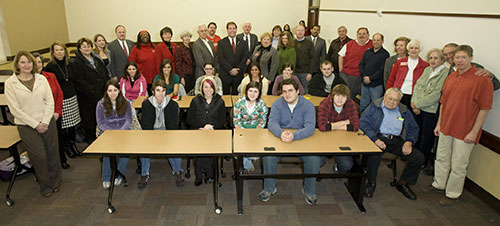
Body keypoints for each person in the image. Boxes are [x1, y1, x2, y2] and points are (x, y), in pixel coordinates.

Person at [424, 45, 493, 207]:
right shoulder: (451, 77)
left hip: (466, 130)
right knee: (441, 158)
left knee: (458, 164)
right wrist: (439, 124)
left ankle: (453, 193)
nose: (460, 61)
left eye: (463, 57)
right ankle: (439, 184)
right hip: (446, 126)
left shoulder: (482, 79)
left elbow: (484, 109)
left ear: (471, 58)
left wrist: (474, 132)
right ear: (453, 59)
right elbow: (443, 103)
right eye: (457, 58)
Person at [5, 51, 62, 197]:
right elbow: (14, 110)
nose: (27, 65)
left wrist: (44, 120)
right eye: (23, 62)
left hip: (46, 120)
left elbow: (50, 101)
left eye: (29, 62)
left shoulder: (41, 79)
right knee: (39, 156)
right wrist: (35, 124)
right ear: (17, 64)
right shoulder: (10, 83)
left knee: (52, 152)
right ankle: (45, 184)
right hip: (26, 125)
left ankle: (56, 181)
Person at [258, 78, 319, 205]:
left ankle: (309, 190)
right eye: (284, 91)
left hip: (301, 138)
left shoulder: (308, 105)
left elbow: (310, 127)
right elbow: (272, 123)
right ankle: (269, 188)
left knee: (313, 158)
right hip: (281, 138)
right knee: (268, 156)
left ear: (298, 91)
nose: (287, 94)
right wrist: (281, 133)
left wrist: (294, 136)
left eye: (290, 90)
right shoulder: (277, 103)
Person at [360, 88, 423, 200]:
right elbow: (363, 124)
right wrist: (375, 139)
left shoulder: (404, 110)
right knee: (374, 155)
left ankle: (403, 183)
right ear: (384, 96)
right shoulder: (375, 106)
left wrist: (409, 141)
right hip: (378, 137)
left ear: (399, 101)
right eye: (390, 98)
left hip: (397, 140)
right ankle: (371, 182)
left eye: (396, 100)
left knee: (418, 158)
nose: (392, 102)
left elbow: (414, 128)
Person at [410, 48, 449, 170]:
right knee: (416, 134)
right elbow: (417, 86)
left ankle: (422, 161)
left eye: (436, 58)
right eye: (431, 57)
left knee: (426, 138)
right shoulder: (427, 70)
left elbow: (437, 94)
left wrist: (417, 104)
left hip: (430, 111)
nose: (432, 60)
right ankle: (413, 158)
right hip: (418, 108)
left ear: (442, 60)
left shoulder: (445, 72)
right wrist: (414, 103)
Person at [140, 79, 182, 187]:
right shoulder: (146, 105)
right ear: (153, 91)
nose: (161, 94)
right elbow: (146, 125)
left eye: (163, 91)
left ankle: (177, 171)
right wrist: (154, 137)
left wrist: (165, 137)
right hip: (151, 133)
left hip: (167, 133)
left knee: (175, 147)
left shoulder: (172, 105)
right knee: (143, 148)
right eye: (158, 90)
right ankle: (144, 174)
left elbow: (174, 126)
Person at [43, 41, 81, 157]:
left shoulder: (70, 63)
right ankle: (66, 147)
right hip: (60, 99)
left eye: (61, 49)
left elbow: (74, 79)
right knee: (64, 125)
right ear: (53, 53)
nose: (60, 52)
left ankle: (72, 144)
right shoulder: (50, 67)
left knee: (73, 124)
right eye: (57, 50)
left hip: (72, 96)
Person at [187, 77, 226, 186]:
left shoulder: (220, 101)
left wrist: (211, 127)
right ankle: (199, 176)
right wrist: (202, 126)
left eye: (211, 87)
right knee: (200, 151)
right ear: (201, 88)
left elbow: (222, 120)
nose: (208, 90)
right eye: (206, 87)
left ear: (215, 88)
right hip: (198, 130)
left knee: (212, 151)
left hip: (214, 131)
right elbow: (190, 119)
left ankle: (211, 175)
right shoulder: (195, 100)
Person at [33, 53, 69, 169]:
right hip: (37, 117)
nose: (37, 65)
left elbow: (59, 94)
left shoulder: (50, 76)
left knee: (58, 138)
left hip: (53, 114)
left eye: (39, 62)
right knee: (40, 143)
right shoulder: (27, 81)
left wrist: (57, 112)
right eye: (34, 62)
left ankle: (61, 160)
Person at [96, 80, 132, 189]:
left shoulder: (125, 102)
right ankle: (106, 177)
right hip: (108, 131)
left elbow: (128, 119)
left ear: (119, 91)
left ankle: (119, 174)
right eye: (110, 90)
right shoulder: (101, 104)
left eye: (115, 90)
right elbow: (101, 122)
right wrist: (111, 133)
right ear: (106, 92)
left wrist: (121, 131)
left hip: (123, 130)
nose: (113, 93)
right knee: (108, 153)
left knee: (126, 152)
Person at [72, 37, 109, 144]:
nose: (87, 48)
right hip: (87, 97)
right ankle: (91, 140)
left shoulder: (97, 60)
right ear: (79, 49)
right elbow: (79, 82)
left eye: (88, 46)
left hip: (101, 94)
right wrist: (93, 92)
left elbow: (105, 75)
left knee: (101, 117)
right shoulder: (77, 63)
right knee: (90, 119)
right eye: (84, 46)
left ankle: (102, 137)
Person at [317, 84, 359, 174]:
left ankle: (338, 170)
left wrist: (331, 126)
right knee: (317, 162)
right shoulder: (325, 104)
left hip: (344, 140)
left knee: (347, 165)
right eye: (337, 95)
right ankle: (316, 172)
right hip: (325, 139)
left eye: (343, 96)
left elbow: (355, 127)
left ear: (347, 98)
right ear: (333, 96)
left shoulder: (351, 104)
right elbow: (322, 127)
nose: (340, 99)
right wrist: (344, 122)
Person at [233, 81, 268, 172]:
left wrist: (254, 132)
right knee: (237, 151)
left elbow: (263, 120)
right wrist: (243, 132)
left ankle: (249, 157)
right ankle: (247, 164)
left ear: (259, 93)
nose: (252, 94)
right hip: (241, 130)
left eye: (255, 91)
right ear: (246, 91)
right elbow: (236, 120)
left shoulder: (262, 105)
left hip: (256, 131)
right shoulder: (239, 103)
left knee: (255, 152)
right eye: (250, 91)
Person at [386, 40, 429, 112]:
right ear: (408, 49)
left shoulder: (425, 65)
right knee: (398, 114)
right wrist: (388, 92)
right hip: (399, 94)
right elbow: (391, 78)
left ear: (420, 50)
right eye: (411, 48)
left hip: (414, 96)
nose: (413, 50)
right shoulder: (399, 62)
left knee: (410, 116)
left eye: (416, 48)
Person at [338, 27, 373, 98]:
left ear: (368, 35)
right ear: (357, 35)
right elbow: (340, 56)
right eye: (359, 34)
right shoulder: (349, 44)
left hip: (364, 77)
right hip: (348, 76)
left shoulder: (373, 44)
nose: (361, 36)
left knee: (363, 98)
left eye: (364, 34)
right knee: (348, 97)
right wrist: (340, 70)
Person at [359, 33, 390, 112]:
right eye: (374, 40)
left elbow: (382, 70)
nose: (376, 42)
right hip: (365, 84)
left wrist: (371, 78)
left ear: (382, 41)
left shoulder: (385, 54)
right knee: (363, 104)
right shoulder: (367, 52)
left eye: (378, 40)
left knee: (376, 105)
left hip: (376, 85)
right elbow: (361, 65)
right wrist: (364, 76)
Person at [218, 21, 248, 95]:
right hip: (225, 74)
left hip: (238, 74)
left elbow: (245, 58)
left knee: (236, 96)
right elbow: (221, 58)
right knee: (225, 96)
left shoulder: (243, 42)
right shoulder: (221, 42)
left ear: (236, 30)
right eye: (230, 28)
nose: (232, 30)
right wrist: (230, 69)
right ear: (227, 30)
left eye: (234, 28)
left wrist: (238, 69)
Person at [294, 25, 315, 93]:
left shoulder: (309, 43)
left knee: (305, 90)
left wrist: (310, 73)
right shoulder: (292, 43)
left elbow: (313, 58)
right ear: (295, 32)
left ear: (305, 32)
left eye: (302, 30)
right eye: (298, 30)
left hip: (305, 72)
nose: (300, 32)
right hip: (294, 71)